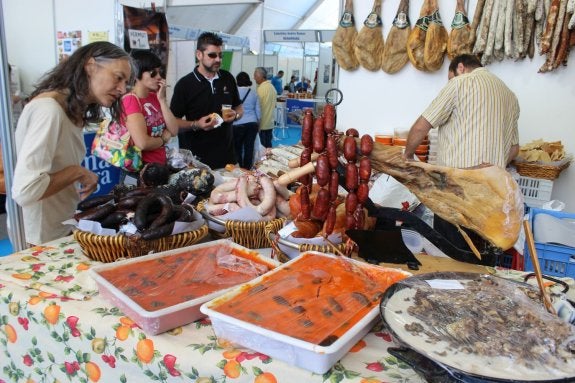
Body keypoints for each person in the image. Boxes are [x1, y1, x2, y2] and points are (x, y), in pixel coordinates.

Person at [402, 53, 520, 264]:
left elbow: (422, 126)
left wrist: (408, 156)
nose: (450, 82)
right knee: (481, 254)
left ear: (461, 68)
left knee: (451, 256)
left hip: (455, 187)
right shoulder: (509, 95)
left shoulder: (459, 84)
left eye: (450, 77)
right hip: (492, 191)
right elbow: (514, 148)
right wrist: (492, 166)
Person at [12, 42, 132, 246]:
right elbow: (26, 191)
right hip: (40, 239)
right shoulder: (49, 110)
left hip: (57, 230)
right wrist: (77, 172)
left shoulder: (68, 110)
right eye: (118, 77)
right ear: (90, 66)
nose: (122, 89)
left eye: (125, 83)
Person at [170, 32, 244, 169]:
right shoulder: (185, 84)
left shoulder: (227, 78)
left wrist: (236, 115)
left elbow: (239, 108)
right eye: (212, 55)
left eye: (220, 55)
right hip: (196, 163)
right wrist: (196, 124)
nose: (218, 59)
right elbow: (173, 122)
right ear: (199, 54)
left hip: (228, 158)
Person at [121, 50, 178, 181]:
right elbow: (143, 143)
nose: (159, 77)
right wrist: (163, 139)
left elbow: (174, 130)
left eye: (160, 72)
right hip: (139, 170)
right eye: (153, 73)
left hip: (159, 166)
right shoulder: (130, 100)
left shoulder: (155, 97)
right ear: (136, 73)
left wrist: (162, 100)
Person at [233, 72, 260, 169]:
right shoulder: (254, 93)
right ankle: (248, 169)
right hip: (252, 123)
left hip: (237, 124)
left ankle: (239, 169)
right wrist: (259, 125)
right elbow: (258, 112)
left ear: (237, 81)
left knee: (237, 148)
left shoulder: (233, 92)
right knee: (249, 148)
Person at [253, 67, 276, 149]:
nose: (254, 78)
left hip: (262, 124)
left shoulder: (260, 89)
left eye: (255, 75)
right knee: (268, 146)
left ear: (261, 76)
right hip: (270, 123)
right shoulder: (272, 88)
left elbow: (257, 108)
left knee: (261, 149)